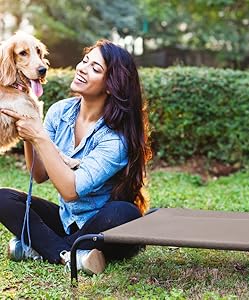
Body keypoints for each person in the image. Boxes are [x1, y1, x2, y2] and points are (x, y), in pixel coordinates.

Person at [0, 39, 151, 275]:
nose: (82, 68)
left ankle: (43, 248)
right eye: (85, 61)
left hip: (103, 225)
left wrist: (39, 136)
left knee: (124, 212)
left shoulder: (116, 138)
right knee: (3, 198)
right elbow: (38, 175)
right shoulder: (60, 111)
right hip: (67, 221)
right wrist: (28, 128)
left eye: (95, 68)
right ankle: (70, 254)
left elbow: (70, 191)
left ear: (111, 86)